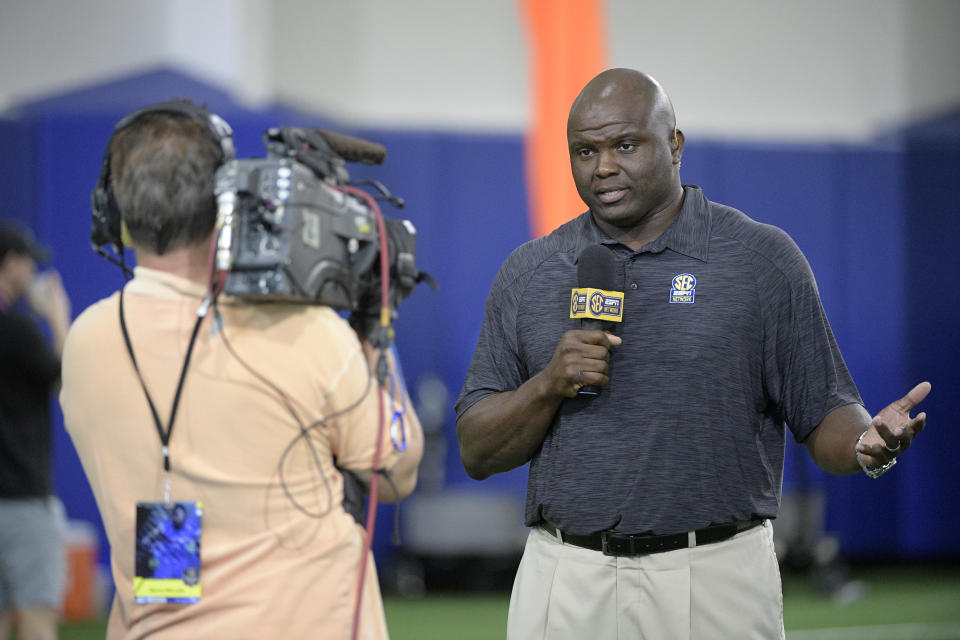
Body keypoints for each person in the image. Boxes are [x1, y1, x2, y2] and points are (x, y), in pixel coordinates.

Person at [455, 68, 930, 639]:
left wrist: (866, 445)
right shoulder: (530, 272)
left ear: (675, 144)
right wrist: (549, 382)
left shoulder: (761, 261)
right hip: (566, 575)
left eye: (625, 145)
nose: (603, 166)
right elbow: (476, 450)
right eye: (585, 151)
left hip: (713, 576)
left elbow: (824, 408)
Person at [59, 103, 423, 639]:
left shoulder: (86, 341)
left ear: (114, 210)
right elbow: (397, 471)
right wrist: (374, 325)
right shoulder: (308, 334)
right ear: (227, 202)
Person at [0, 220, 71, 640]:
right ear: (10, 264)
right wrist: (58, 318)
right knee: (37, 619)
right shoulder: (18, 330)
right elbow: (66, 380)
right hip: (24, 503)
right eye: (28, 264)